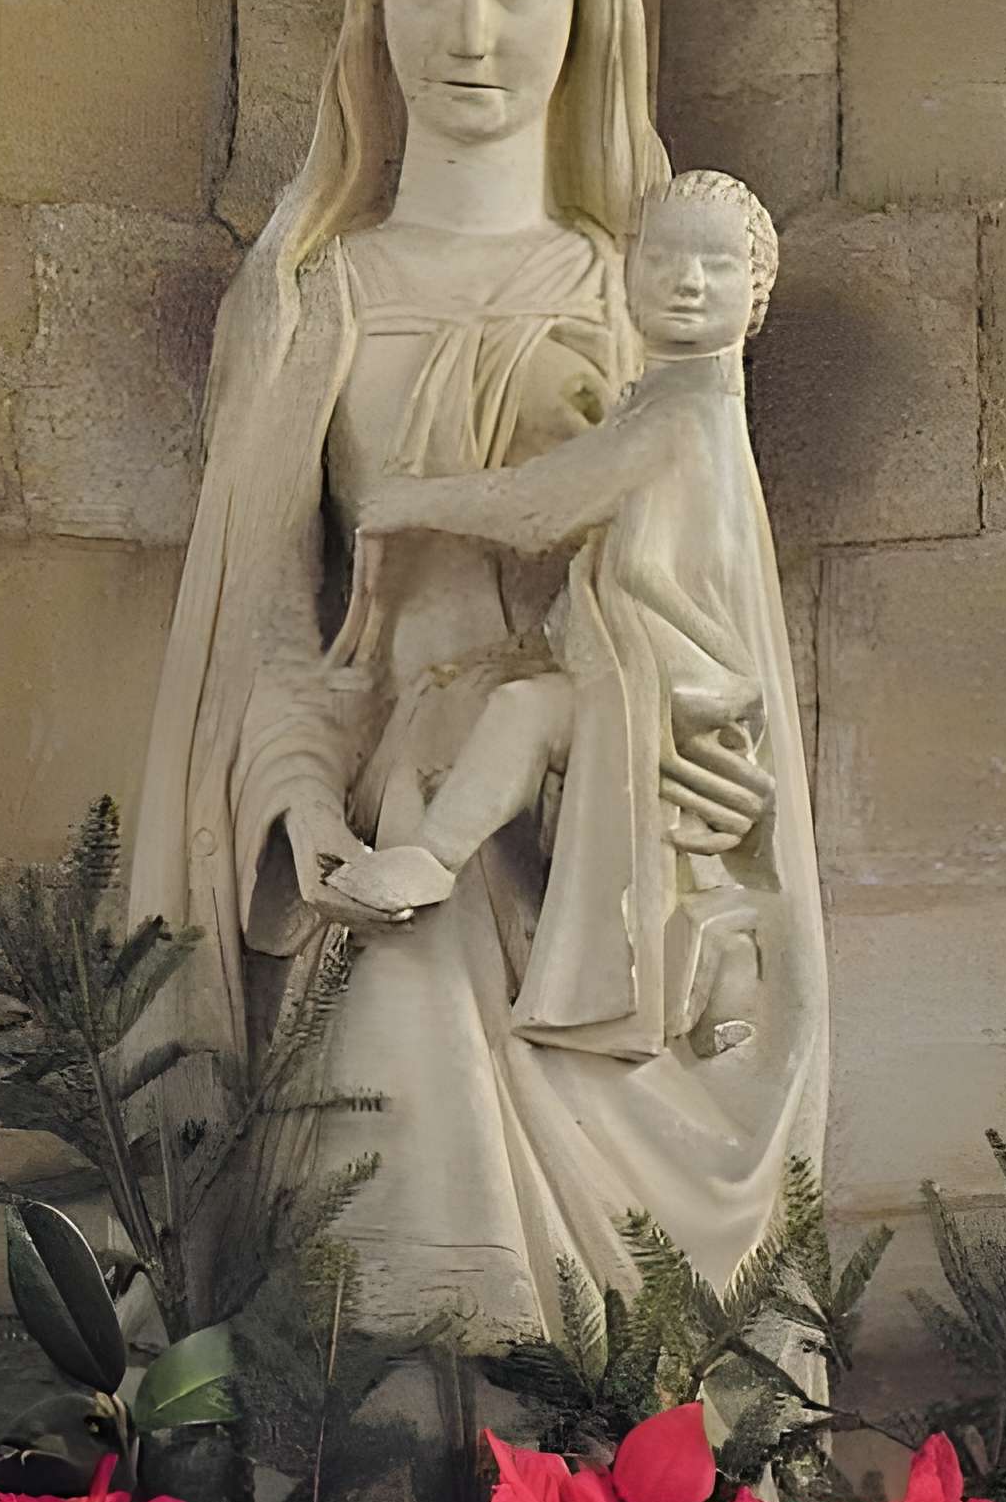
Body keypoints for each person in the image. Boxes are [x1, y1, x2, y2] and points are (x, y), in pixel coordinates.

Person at [128, 0, 827, 1344]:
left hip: (601, 830)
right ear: (371, 10)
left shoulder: (634, 301)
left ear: (588, 11)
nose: (471, 31)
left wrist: (687, 757)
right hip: (384, 817)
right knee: (386, 1024)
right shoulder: (318, 299)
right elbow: (268, 638)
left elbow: (702, 599)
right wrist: (299, 810)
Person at [325, 171, 782, 1064]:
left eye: (718, 266)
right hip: (634, 672)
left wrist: (413, 497)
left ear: (755, 294)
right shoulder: (661, 402)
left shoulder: (682, 416)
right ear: (627, 271)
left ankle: (431, 860)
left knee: (523, 714)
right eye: (665, 259)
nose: (688, 282)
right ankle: (717, 959)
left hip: (669, 689)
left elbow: (537, 506)